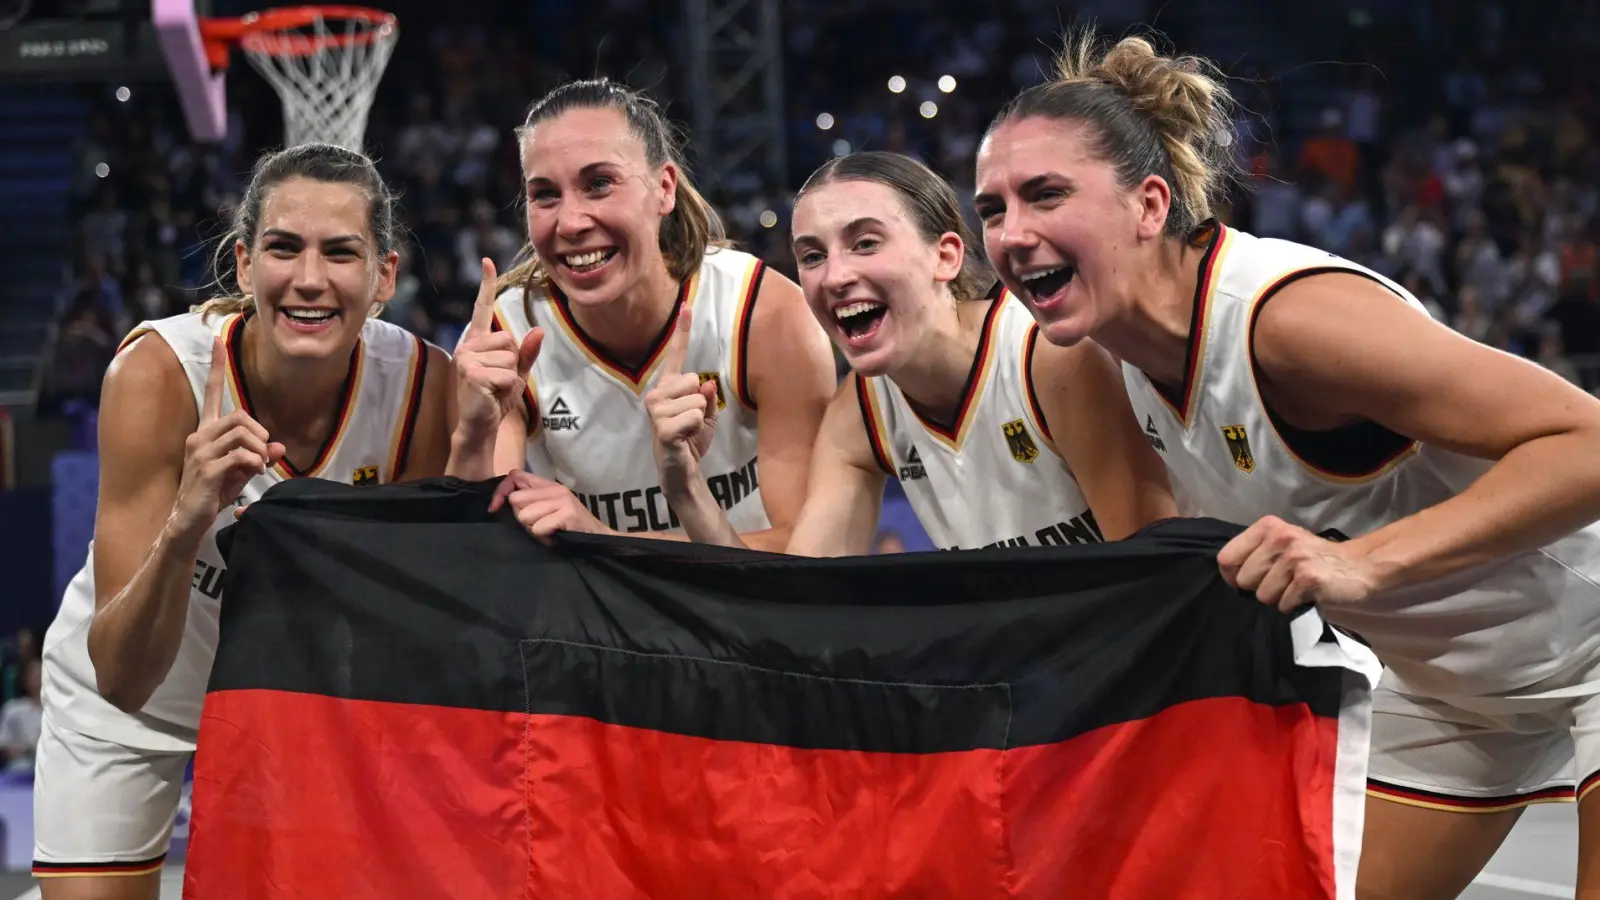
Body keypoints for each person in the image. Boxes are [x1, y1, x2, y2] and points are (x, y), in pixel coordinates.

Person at [973, 30, 1600, 899]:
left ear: (1150, 205)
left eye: (1045, 195)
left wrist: (1361, 563)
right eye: (993, 209)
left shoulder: (1287, 321)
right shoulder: (1094, 360)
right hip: (1451, 691)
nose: (1012, 233)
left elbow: (1589, 441)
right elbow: (1161, 568)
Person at [34, 142, 455, 899]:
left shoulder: (425, 387)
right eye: (284, 248)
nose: (308, 279)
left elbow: (409, 633)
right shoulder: (158, 374)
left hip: (291, 702)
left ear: (385, 275)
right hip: (132, 697)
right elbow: (123, 678)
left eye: (341, 253)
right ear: (242, 263)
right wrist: (189, 520)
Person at [645, 151, 1175, 555]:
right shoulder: (860, 414)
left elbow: (1150, 577)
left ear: (945, 256)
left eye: (866, 243)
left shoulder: (1052, 358)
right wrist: (687, 490)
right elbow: (800, 605)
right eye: (811, 256)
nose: (835, 276)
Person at [448, 78, 835, 550]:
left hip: (746, 610)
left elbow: (805, 551)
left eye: (599, 184)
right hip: (591, 617)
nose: (570, 223)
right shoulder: (507, 332)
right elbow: (479, 554)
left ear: (664, 188)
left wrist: (605, 539)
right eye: (545, 194)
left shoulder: (763, 313)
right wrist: (472, 435)